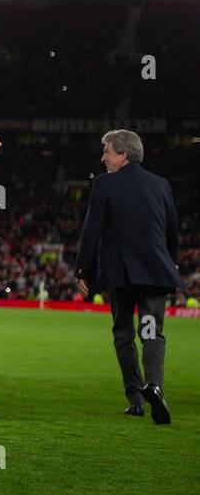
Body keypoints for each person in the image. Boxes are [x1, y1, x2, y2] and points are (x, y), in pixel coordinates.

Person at [73, 130, 182, 424]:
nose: (103, 158)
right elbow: (172, 232)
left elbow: (91, 231)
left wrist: (83, 270)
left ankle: (135, 398)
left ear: (122, 155)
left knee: (123, 334)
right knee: (151, 332)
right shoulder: (161, 185)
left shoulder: (104, 184)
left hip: (121, 273)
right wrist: (170, 262)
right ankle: (155, 385)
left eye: (107, 152)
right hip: (155, 272)